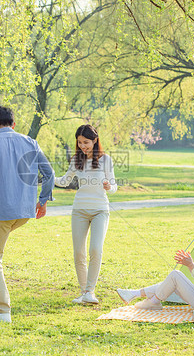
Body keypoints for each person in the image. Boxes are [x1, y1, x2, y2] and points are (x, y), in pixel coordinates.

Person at [0, 106, 54, 323]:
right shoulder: (30, 142)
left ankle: (3, 311)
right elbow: (49, 173)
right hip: (24, 212)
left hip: (1, 212)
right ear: (13, 124)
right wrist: (42, 201)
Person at [55, 124, 117, 304]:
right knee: (78, 253)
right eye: (80, 142)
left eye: (87, 142)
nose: (83, 146)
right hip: (80, 210)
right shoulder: (76, 160)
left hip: (100, 210)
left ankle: (90, 291)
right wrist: (50, 176)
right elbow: (65, 181)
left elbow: (113, 187)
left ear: (95, 140)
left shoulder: (106, 160)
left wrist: (109, 187)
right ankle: (84, 292)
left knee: (95, 250)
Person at [116, 221, 194, 310]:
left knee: (175, 275)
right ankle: (136, 294)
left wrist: (191, 265)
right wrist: (190, 265)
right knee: (174, 280)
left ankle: (152, 301)